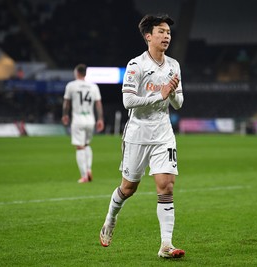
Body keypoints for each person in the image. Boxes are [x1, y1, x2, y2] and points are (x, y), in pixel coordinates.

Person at [99, 14, 185, 258]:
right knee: (128, 188)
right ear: (149, 36)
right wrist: (161, 94)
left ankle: (166, 245)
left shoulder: (174, 65)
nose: (166, 35)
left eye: (168, 32)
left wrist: (172, 92)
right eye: (161, 31)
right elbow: (128, 102)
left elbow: (178, 103)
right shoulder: (136, 65)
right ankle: (110, 218)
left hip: (163, 133)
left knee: (166, 185)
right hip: (137, 133)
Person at [62, 64, 104, 183]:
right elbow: (98, 104)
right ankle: (89, 169)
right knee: (86, 144)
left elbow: (66, 102)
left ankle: (84, 175)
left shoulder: (71, 85)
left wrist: (65, 115)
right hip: (90, 120)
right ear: (85, 74)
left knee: (79, 147)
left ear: (76, 73)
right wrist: (100, 119)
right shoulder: (93, 86)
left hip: (78, 120)